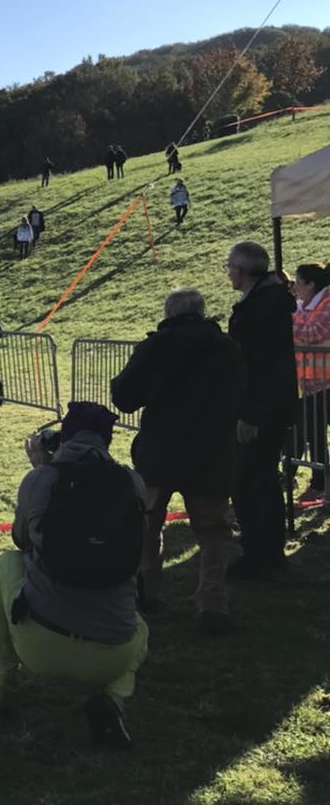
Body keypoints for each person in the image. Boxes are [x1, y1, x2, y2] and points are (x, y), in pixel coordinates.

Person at [0, 402, 149, 748]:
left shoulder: (41, 480)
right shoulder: (132, 484)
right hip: (114, 649)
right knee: (142, 629)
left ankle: (0, 689)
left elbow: (21, 539)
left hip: (41, 646)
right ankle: (114, 699)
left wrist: (42, 469)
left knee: (6, 564)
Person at [110, 289, 245, 634]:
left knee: (147, 524)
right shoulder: (227, 347)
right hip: (212, 451)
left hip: (161, 450)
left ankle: (147, 593)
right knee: (214, 531)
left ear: (169, 313)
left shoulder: (156, 346)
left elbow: (125, 397)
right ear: (201, 313)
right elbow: (242, 392)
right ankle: (212, 602)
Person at [225, 242, 298, 579]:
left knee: (252, 480)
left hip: (260, 408)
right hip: (270, 405)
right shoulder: (268, 303)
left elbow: (260, 366)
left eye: (230, 266)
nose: (228, 272)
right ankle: (269, 552)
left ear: (241, 271)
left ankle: (259, 554)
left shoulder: (260, 309)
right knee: (262, 478)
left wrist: (249, 414)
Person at [291, 263, 330, 502]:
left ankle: (321, 484)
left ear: (311, 284)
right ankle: (320, 483)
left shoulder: (327, 305)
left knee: (316, 435)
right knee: (314, 436)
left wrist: (288, 322)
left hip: (326, 382)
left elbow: (314, 332)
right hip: (312, 384)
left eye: (298, 282)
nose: (294, 287)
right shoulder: (306, 306)